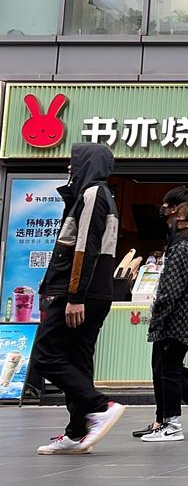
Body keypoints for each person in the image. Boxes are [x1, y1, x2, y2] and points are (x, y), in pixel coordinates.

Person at [32, 143, 126, 455]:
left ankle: (101, 407)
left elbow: (85, 248)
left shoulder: (93, 194)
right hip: (95, 292)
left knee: (46, 355)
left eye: (74, 162)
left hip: (81, 293)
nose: (70, 168)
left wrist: (74, 295)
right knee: (78, 359)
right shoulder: (96, 194)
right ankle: (77, 430)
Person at [131, 187, 188, 437]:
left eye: (176, 217)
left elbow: (170, 290)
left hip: (177, 319)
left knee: (168, 370)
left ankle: (172, 424)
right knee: (169, 367)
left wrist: (157, 317)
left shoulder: (182, 249)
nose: (171, 220)